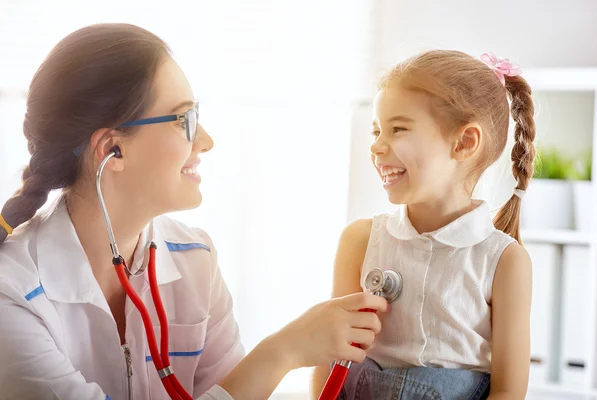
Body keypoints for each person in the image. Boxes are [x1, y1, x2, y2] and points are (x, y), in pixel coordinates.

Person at [0, 23, 388, 400]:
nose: (205, 141)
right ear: (111, 150)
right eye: (184, 119)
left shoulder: (194, 258)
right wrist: (281, 353)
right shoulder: (12, 292)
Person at [311, 50, 535, 399]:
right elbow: (328, 358)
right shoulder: (360, 240)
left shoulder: (505, 261)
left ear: (464, 143)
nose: (377, 146)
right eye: (376, 130)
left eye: (398, 129)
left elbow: (508, 392)